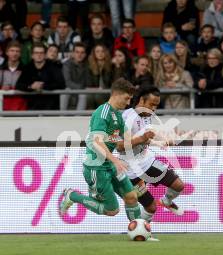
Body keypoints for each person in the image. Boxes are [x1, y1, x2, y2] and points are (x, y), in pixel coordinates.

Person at [60, 78, 146, 221]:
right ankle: (72, 195)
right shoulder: (103, 113)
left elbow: (129, 139)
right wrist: (116, 161)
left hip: (109, 164)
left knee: (132, 197)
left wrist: (153, 139)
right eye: (127, 98)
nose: (128, 103)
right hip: (96, 168)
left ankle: (139, 231)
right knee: (111, 210)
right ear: (117, 94)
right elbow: (97, 141)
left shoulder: (117, 114)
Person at [118, 85, 185, 232]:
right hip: (131, 172)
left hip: (148, 162)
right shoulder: (126, 118)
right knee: (151, 207)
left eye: (156, 105)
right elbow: (119, 146)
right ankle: (138, 230)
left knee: (179, 185)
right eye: (151, 104)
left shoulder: (146, 116)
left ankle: (167, 201)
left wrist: (161, 141)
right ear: (141, 100)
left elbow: (146, 138)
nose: (154, 108)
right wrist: (143, 138)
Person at [16, 43, 66, 110]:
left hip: (51, 107)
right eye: (36, 53)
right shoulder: (27, 68)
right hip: (32, 107)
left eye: (41, 53)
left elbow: (61, 84)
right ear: (32, 55)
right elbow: (18, 85)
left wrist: (43, 86)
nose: (39, 55)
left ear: (45, 55)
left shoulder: (54, 67)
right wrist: (31, 86)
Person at [60, 42, 88, 110]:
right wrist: (81, 87)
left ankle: (78, 118)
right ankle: (61, 117)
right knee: (66, 92)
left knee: (83, 94)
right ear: (72, 53)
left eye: (82, 52)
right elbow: (68, 82)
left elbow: (88, 82)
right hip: (71, 90)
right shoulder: (67, 64)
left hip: (82, 91)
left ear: (85, 54)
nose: (79, 55)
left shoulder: (87, 65)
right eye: (77, 52)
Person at [0, 41, 25, 110]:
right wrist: (2, 88)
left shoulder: (26, 70)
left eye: (17, 51)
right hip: (3, 108)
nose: (15, 53)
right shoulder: (1, 70)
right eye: (12, 51)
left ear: (20, 54)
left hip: (21, 107)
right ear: (7, 52)